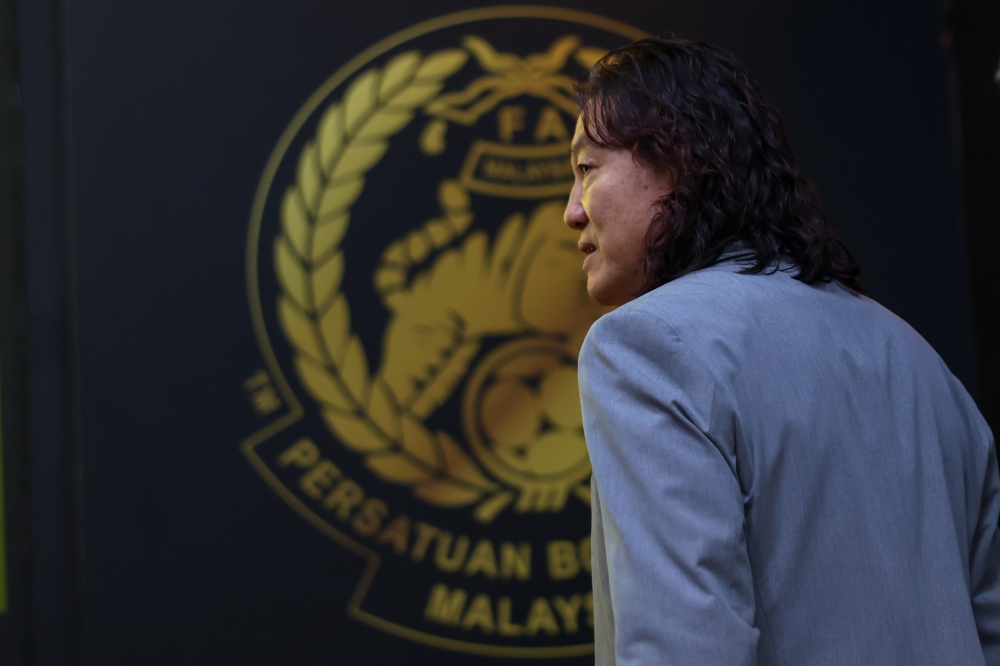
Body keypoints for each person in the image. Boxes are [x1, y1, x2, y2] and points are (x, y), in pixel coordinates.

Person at [565, 37, 999, 665]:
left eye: (586, 168)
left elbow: (684, 649)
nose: (571, 212)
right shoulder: (919, 360)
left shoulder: (642, 346)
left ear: (681, 158)